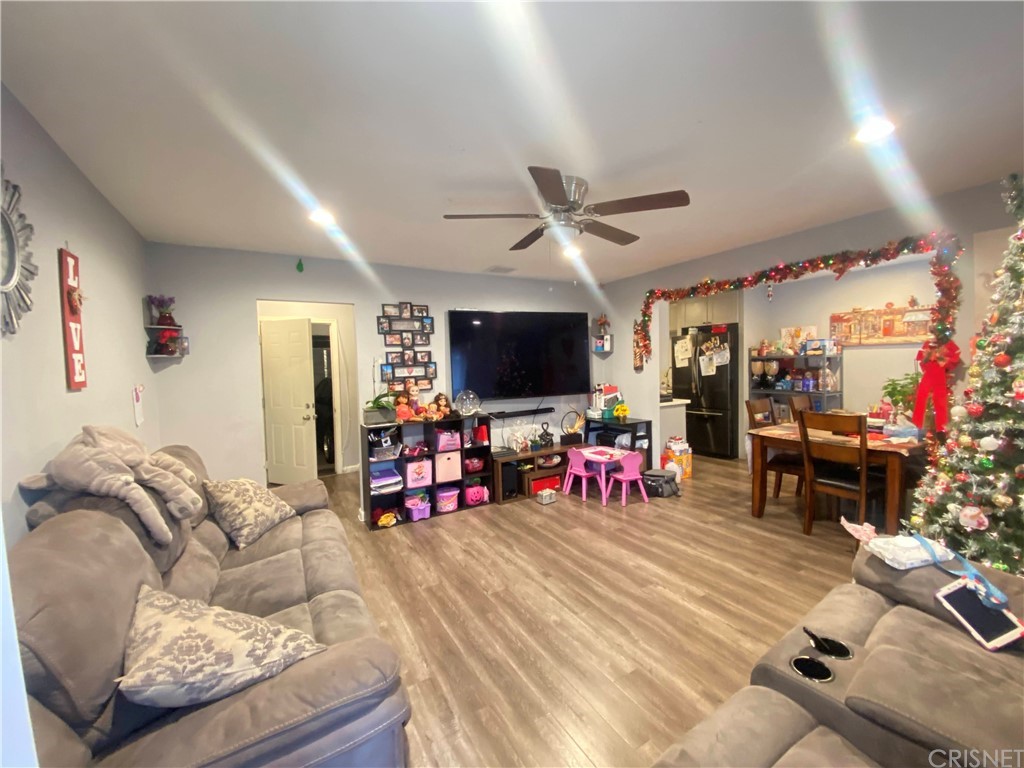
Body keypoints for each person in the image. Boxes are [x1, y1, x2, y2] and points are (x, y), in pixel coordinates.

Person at [314, 377, 334, 464]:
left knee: (322, 432)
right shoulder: (329, 383)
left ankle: (323, 449)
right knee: (329, 434)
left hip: (321, 414)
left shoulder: (323, 384)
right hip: (328, 414)